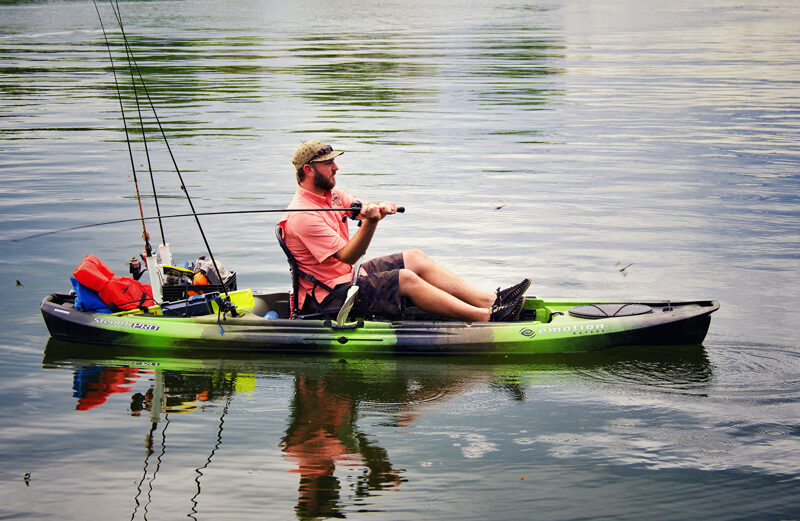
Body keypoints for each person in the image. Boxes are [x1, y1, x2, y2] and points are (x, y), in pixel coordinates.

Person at [281, 139, 530, 322]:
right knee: (405, 278)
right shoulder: (303, 216)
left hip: (348, 277)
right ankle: (487, 317)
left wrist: (379, 206)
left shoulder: (331, 196)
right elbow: (348, 256)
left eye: (334, 161)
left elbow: (360, 207)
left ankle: (492, 301)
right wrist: (372, 221)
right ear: (308, 170)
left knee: (414, 257)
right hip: (330, 295)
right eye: (328, 163)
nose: (336, 167)